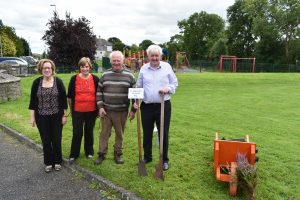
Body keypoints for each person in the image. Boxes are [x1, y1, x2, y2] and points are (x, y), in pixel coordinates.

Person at [136, 44, 178, 171]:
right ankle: (147, 157)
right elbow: (139, 86)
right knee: (147, 133)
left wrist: (168, 89)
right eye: (152, 56)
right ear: (148, 56)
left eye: (156, 55)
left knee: (163, 133)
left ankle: (164, 159)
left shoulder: (167, 67)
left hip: (163, 105)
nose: (154, 58)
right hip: (147, 106)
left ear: (160, 56)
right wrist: (136, 100)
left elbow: (174, 83)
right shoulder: (144, 68)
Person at [94, 51, 136, 165]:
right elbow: (99, 92)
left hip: (121, 111)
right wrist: (100, 107)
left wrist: (133, 110)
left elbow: (135, 95)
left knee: (119, 134)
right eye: (114, 60)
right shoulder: (104, 75)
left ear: (122, 61)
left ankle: (118, 154)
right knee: (104, 134)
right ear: (111, 61)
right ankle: (101, 154)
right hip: (106, 111)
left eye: (118, 60)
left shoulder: (130, 75)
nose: (116, 62)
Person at [29, 59, 68, 173]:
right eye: (44, 68)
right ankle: (48, 162)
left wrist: (64, 116)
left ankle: (57, 161)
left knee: (56, 139)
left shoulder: (58, 82)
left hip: (56, 116)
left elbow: (63, 101)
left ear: (52, 69)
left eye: (49, 68)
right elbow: (32, 102)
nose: (47, 70)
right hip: (41, 117)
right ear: (41, 69)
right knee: (46, 140)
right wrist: (32, 118)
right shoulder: (36, 83)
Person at [67, 57, 99, 164]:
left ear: (90, 67)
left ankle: (89, 151)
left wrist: (98, 110)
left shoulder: (95, 79)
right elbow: (70, 97)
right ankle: (74, 154)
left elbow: (98, 95)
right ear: (79, 67)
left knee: (89, 131)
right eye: (82, 66)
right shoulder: (74, 79)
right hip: (77, 111)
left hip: (91, 111)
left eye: (86, 66)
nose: (84, 69)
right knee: (77, 133)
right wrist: (72, 109)